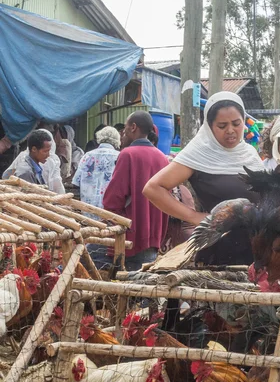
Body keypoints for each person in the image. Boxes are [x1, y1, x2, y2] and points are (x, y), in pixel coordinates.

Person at [143, 91, 264, 266]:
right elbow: (153, 188)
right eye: (222, 126)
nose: (230, 130)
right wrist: (193, 216)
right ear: (209, 126)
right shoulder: (199, 152)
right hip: (218, 252)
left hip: (255, 250)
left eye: (236, 123)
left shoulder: (249, 153)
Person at [103, 111, 169, 270]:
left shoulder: (128, 154)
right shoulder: (162, 158)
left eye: (124, 128)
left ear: (133, 127)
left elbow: (113, 199)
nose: (122, 134)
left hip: (129, 236)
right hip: (154, 234)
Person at [3, 129, 65, 194]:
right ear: (34, 149)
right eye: (45, 151)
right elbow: (30, 199)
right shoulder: (26, 173)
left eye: (49, 151)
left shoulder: (36, 169)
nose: (48, 155)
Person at [72, 126, 120, 210]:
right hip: (110, 211)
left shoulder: (87, 156)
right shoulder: (119, 157)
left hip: (88, 209)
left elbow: (76, 181)